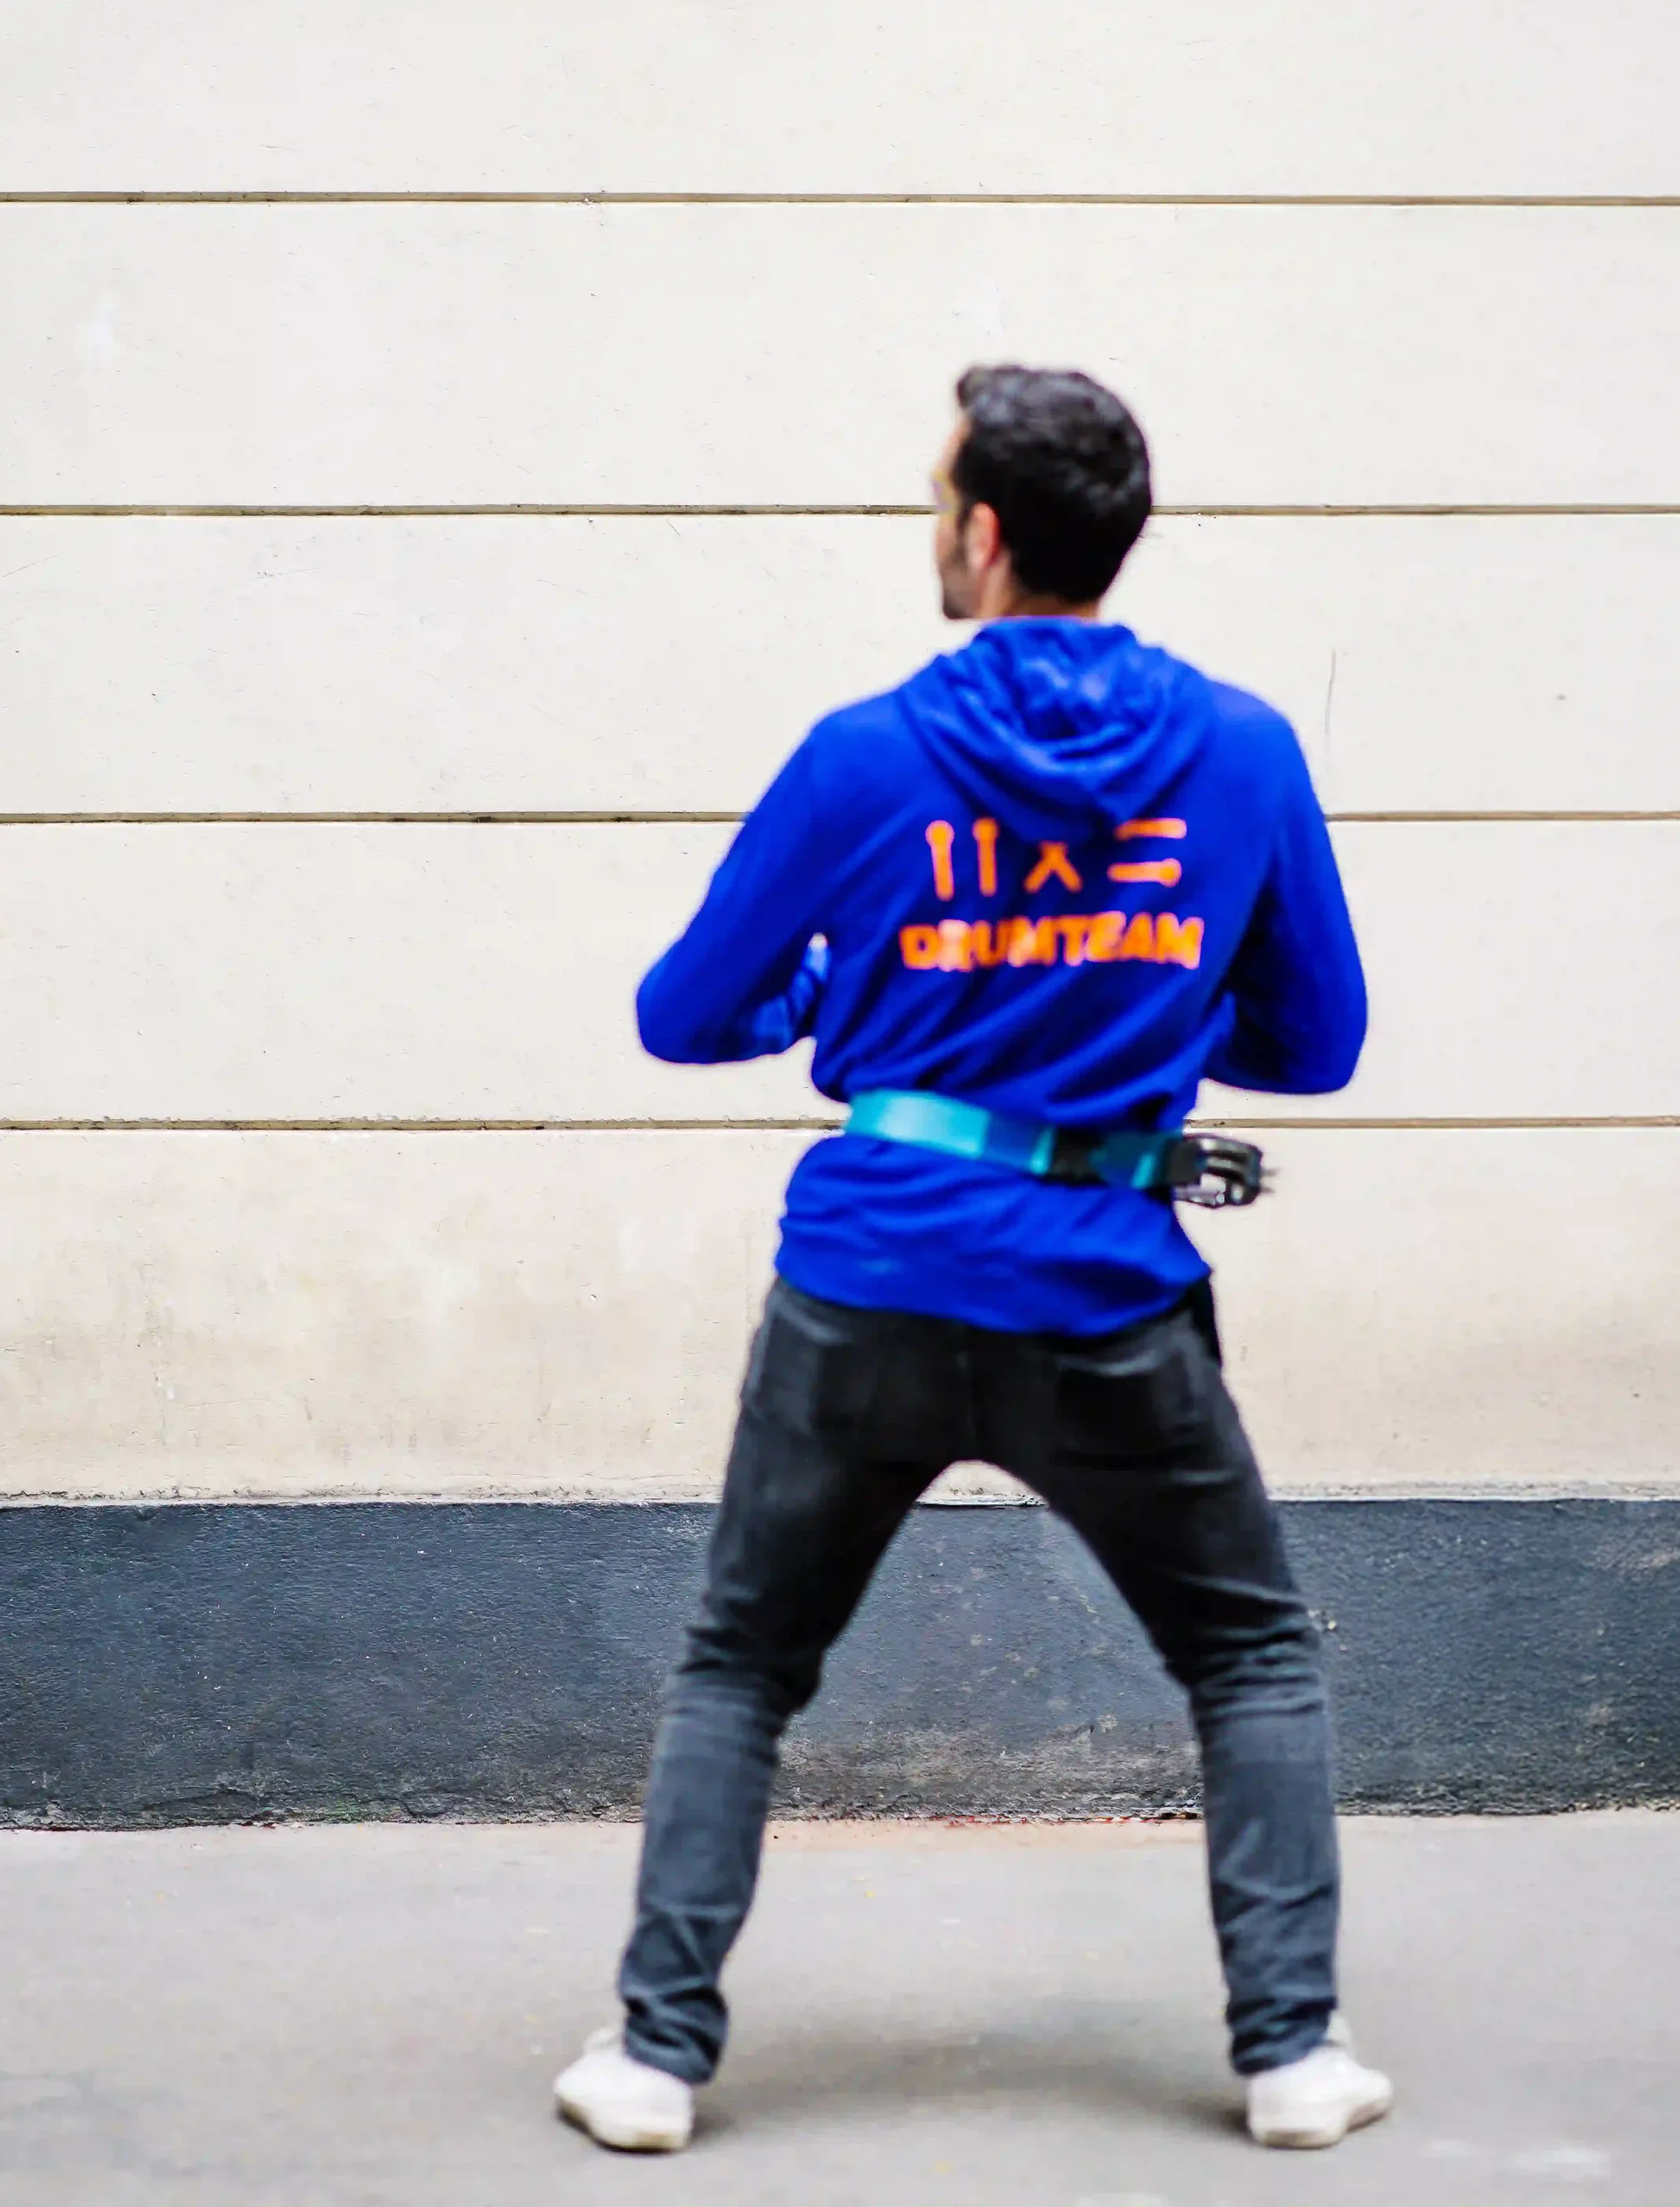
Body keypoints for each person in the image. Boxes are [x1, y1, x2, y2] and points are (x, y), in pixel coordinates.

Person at [554, 364, 1392, 2155]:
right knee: (1247, 1657)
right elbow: (1314, 1040)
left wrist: (843, 995)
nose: (930, 529)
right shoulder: (1240, 749)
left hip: (860, 1288)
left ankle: (652, 2057)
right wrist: (1130, 1000)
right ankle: (1292, 2054)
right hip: (1102, 1296)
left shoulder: (863, 753)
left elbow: (678, 1011)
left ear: (987, 534)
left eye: (937, 501)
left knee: (739, 1664)